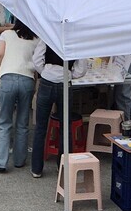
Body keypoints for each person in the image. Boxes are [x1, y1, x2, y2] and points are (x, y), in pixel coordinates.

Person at [30, 42, 89, 178]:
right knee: (65, 128)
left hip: (46, 81)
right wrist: (69, 74)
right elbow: (81, 68)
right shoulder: (74, 39)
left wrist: (45, 71)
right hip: (64, 82)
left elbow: (37, 59)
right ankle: (62, 167)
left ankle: (36, 169)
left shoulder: (48, 35)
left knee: (40, 127)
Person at [0, 18, 38, 173]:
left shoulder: (7, 34)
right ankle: (19, 160)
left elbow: (0, 54)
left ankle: (1, 162)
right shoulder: (36, 40)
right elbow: (37, 64)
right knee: (23, 123)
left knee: (4, 121)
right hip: (27, 80)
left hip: (8, 78)